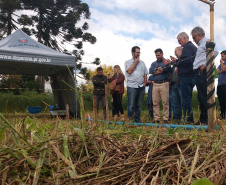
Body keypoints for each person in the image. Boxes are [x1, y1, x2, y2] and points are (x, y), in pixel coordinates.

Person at [191, 26, 218, 124]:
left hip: (201, 71)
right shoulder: (201, 45)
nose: (194, 40)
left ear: (199, 35)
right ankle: (203, 118)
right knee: (201, 95)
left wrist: (205, 64)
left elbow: (215, 52)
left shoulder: (207, 42)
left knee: (203, 96)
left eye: (194, 37)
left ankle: (205, 119)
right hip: (198, 72)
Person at [170, 32, 197, 124]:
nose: (179, 42)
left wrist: (177, 61)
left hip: (186, 76)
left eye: (179, 40)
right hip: (192, 76)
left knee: (185, 99)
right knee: (187, 98)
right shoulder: (193, 47)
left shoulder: (187, 47)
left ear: (184, 38)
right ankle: (189, 118)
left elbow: (187, 61)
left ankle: (188, 120)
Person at [125, 46, 148, 122]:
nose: (139, 54)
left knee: (138, 105)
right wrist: (135, 62)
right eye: (137, 52)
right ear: (133, 53)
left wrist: (144, 84)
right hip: (132, 86)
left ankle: (137, 119)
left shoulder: (143, 63)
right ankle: (131, 120)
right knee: (131, 105)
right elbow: (129, 71)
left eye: (139, 52)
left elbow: (145, 74)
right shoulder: (127, 62)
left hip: (141, 86)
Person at [149, 48, 171, 123]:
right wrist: (161, 70)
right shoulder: (153, 63)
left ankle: (165, 118)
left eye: (159, 55)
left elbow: (169, 70)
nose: (157, 56)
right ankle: (156, 119)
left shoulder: (166, 62)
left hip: (164, 83)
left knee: (165, 102)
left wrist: (161, 69)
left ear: (162, 54)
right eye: (156, 55)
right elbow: (151, 71)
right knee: (155, 102)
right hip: (155, 84)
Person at [171, 46, 183, 121]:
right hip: (174, 85)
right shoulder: (175, 64)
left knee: (183, 102)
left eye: (175, 51)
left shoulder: (183, 62)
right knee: (175, 103)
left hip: (182, 84)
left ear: (180, 51)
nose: (174, 53)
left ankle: (186, 119)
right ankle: (176, 119)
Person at [217, 50, 226, 119]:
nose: (221, 58)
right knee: (221, 100)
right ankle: (222, 115)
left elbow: (223, 69)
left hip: (225, 84)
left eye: (222, 56)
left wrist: (221, 64)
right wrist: (221, 70)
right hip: (220, 84)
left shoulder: (222, 64)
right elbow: (217, 71)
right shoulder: (222, 64)